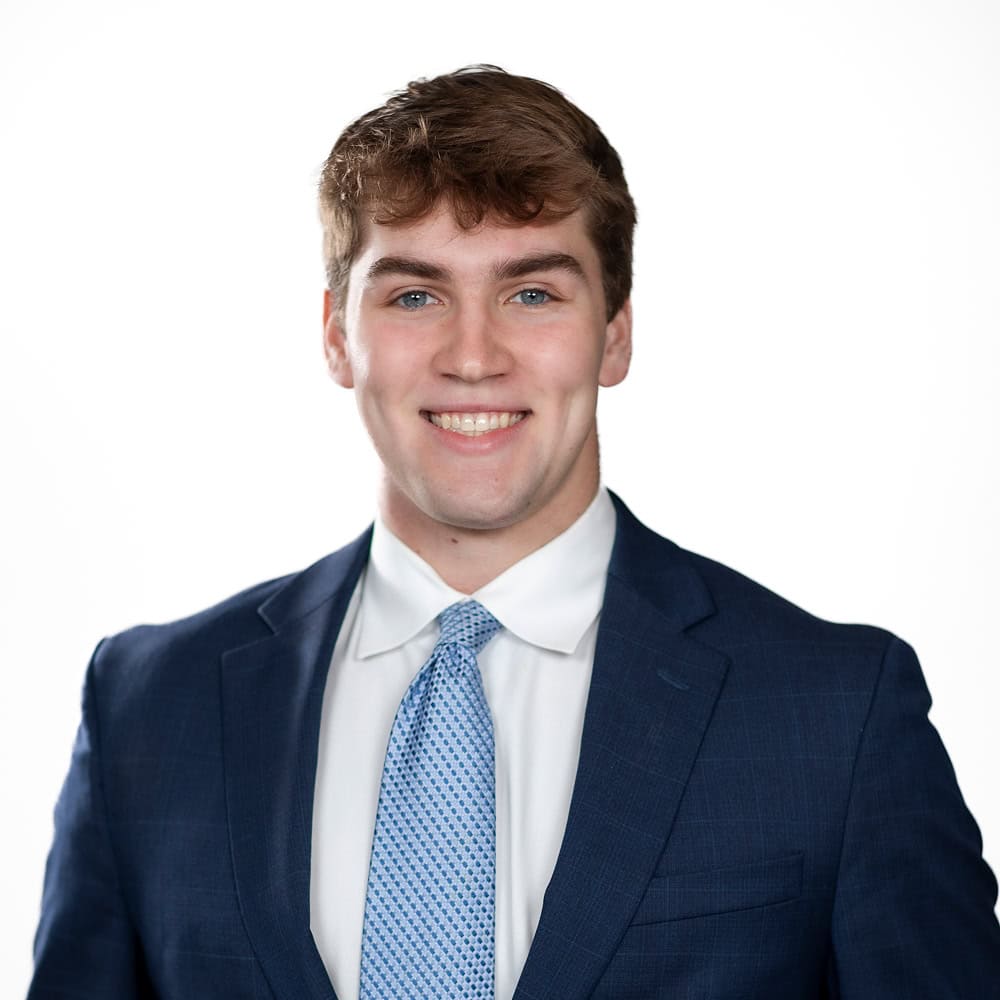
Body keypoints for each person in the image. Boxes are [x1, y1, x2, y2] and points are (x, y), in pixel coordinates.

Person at [28, 65, 1000, 1000]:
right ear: (335, 335)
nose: (472, 357)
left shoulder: (836, 715)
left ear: (614, 332)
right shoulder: (148, 710)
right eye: (414, 295)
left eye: (532, 293)